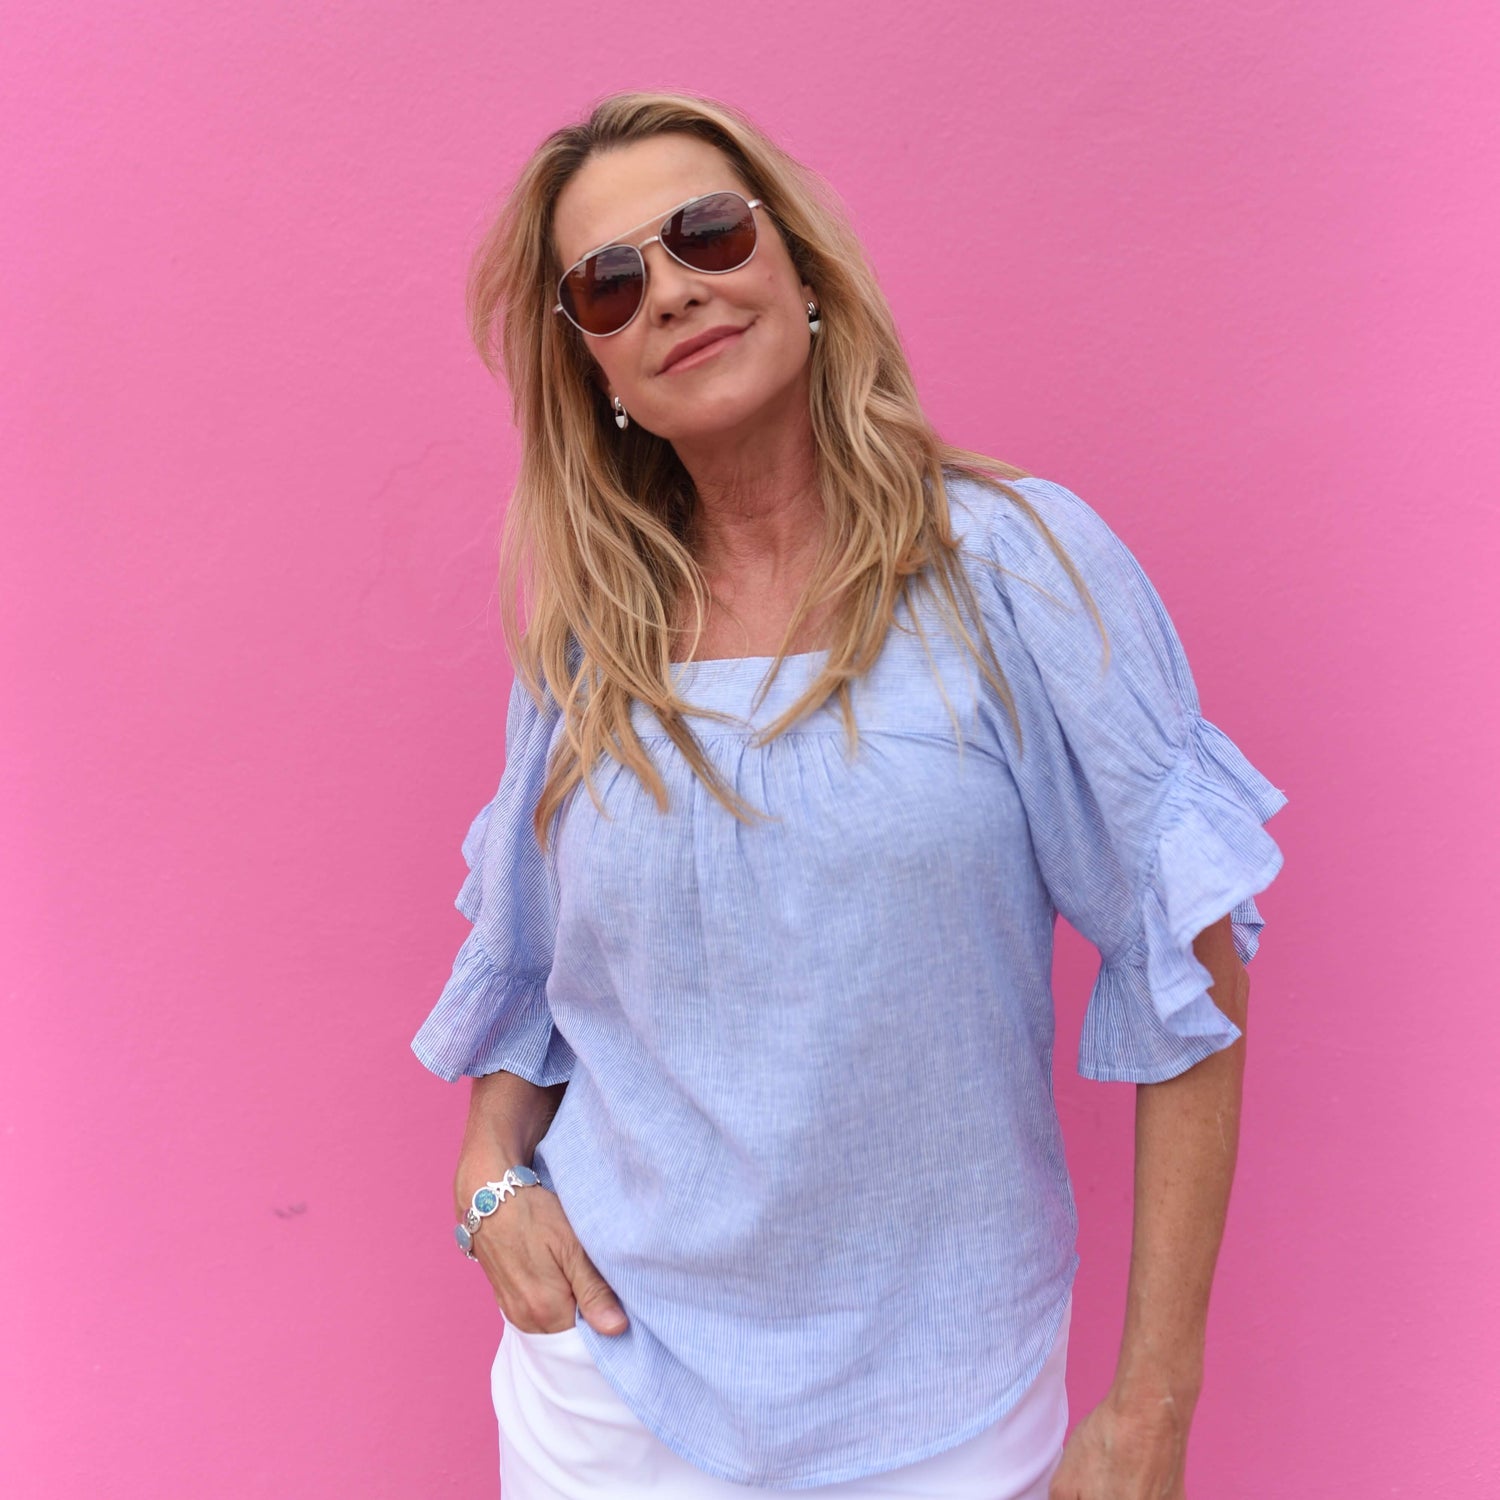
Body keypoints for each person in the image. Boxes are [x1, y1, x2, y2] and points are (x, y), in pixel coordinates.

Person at [410, 90, 1288, 1500]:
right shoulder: (589, 638)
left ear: (801, 269)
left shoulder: (1019, 571)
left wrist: (1150, 1408)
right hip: (613, 1397)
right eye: (612, 284)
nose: (675, 289)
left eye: (707, 231)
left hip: (943, 1404)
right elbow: (532, 974)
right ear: (600, 376)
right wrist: (489, 1176)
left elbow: (1190, 958)